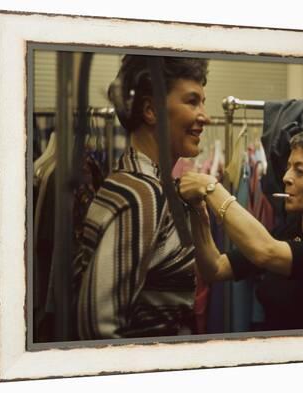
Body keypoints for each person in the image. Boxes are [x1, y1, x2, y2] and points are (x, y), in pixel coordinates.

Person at [74, 55, 210, 339]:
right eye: (192, 101)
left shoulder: (152, 186)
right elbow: (99, 328)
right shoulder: (141, 195)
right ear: (151, 110)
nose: (205, 116)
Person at [179, 125, 303, 330]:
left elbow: (265, 252)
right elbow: (216, 268)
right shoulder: (289, 231)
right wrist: (197, 210)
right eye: (289, 167)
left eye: (300, 171)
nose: (286, 177)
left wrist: (211, 187)